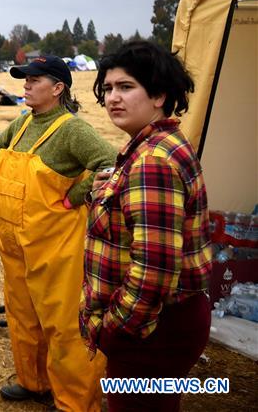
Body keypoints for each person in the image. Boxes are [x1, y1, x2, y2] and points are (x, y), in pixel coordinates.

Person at [81, 41, 212, 412]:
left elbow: (154, 271)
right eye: (107, 89)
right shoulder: (157, 144)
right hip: (163, 322)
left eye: (125, 87)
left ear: (159, 95)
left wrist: (115, 328)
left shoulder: (152, 160)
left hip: (152, 329)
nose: (112, 98)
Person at [0, 55, 116, 411]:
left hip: (57, 244)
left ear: (58, 88)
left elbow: (110, 162)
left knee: (65, 326)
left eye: (34, 80)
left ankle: (75, 401)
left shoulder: (72, 130)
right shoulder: (22, 122)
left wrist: (76, 194)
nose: (26, 85)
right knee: (23, 315)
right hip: (16, 243)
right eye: (24, 79)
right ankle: (34, 383)